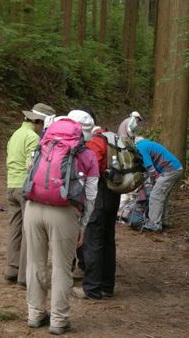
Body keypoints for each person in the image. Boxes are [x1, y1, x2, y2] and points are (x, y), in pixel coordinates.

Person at [25, 116, 99, 335]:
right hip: (64, 212)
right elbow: (92, 195)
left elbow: (30, 172)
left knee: (34, 263)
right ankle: (58, 319)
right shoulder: (86, 154)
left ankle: (35, 313)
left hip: (33, 207)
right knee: (61, 267)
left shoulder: (43, 144)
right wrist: (82, 225)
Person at [4, 103, 56, 287]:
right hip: (24, 188)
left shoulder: (15, 134)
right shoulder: (33, 137)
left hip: (11, 185)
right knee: (29, 231)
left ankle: (12, 268)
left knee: (14, 228)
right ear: (37, 121)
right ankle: (25, 277)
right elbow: (31, 166)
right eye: (43, 124)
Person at [72, 115, 122, 301]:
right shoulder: (113, 138)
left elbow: (88, 168)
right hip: (114, 192)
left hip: (100, 192)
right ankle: (107, 286)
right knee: (108, 239)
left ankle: (92, 288)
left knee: (93, 240)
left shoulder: (94, 142)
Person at [135, 137, 183, 232]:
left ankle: (154, 224)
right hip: (175, 168)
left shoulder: (140, 147)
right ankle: (163, 221)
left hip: (170, 170)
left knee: (155, 195)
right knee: (162, 195)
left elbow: (150, 167)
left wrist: (154, 180)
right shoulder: (148, 144)